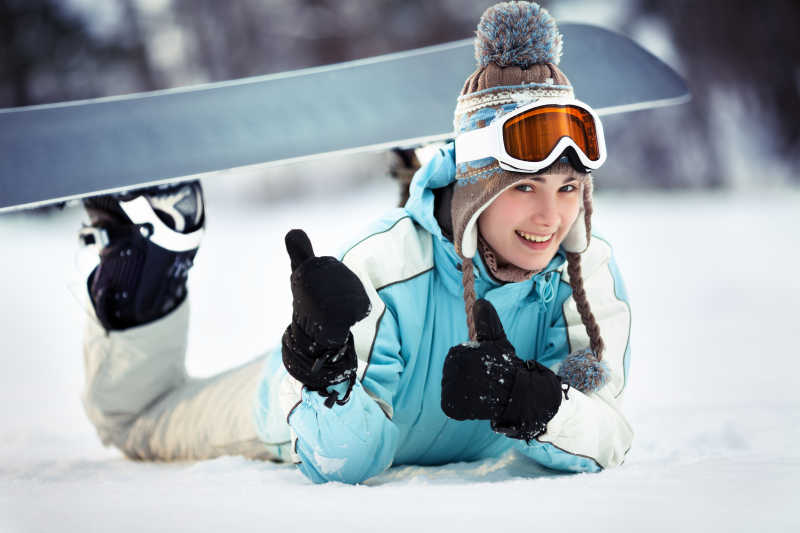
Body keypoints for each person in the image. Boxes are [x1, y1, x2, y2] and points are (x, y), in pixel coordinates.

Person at [77, 1, 633, 484]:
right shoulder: (384, 264)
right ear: (478, 183)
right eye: (525, 186)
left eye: (567, 188)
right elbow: (346, 463)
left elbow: (608, 434)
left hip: (422, 343)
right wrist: (330, 378)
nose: (551, 216)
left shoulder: (584, 272)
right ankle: (141, 264)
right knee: (139, 421)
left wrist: (532, 402)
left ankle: (420, 172)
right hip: (299, 405)